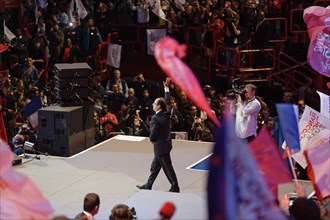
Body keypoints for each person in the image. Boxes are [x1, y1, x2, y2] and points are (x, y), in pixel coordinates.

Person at [136, 93, 180, 193]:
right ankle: (149, 184)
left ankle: (175, 186)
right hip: (166, 145)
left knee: (167, 168)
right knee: (154, 167)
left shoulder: (155, 118)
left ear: (159, 106)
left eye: (155, 103)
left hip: (160, 147)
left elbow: (153, 134)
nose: (153, 104)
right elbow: (168, 103)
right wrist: (167, 90)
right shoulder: (167, 113)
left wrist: (151, 139)